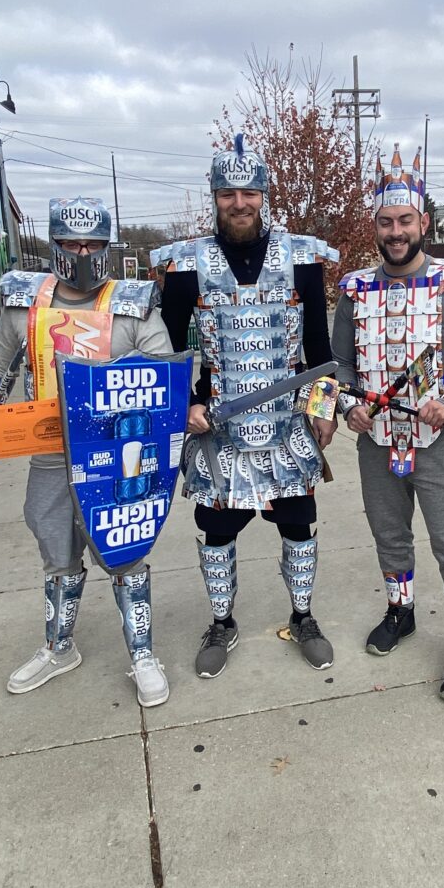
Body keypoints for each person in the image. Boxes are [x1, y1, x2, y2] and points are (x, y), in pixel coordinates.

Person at [0, 197, 174, 707]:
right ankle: (59, 646)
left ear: (107, 244)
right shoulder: (25, 302)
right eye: (72, 243)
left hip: (118, 450)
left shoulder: (132, 302)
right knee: (56, 551)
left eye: (94, 243)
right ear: (54, 244)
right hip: (49, 449)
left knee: (127, 549)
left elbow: (165, 373)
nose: (83, 252)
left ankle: (142, 652)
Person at [159, 134, 338, 679]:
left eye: (250, 192)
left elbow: (319, 345)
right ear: (214, 196)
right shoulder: (187, 264)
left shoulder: (301, 256)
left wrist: (324, 406)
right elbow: (168, 349)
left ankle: (303, 615)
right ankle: (222, 622)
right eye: (228, 193)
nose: (240, 203)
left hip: (287, 427)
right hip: (218, 430)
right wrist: (184, 404)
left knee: (298, 523)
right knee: (216, 529)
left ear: (264, 195)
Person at [331, 144, 444, 703]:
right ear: (374, 226)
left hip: (439, 440)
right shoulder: (354, 291)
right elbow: (342, 368)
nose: (396, 231)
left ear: (423, 222)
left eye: (405, 220)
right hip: (377, 441)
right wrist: (345, 404)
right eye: (386, 222)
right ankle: (400, 612)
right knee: (389, 535)